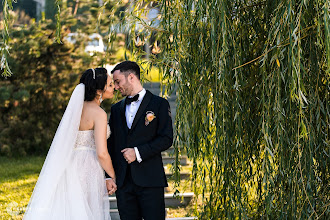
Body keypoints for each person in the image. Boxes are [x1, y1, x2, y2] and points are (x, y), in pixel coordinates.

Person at [23, 68, 117, 220]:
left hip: (70, 164)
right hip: (88, 166)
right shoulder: (99, 113)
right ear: (99, 90)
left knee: (71, 209)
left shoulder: (76, 110)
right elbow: (102, 153)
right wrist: (112, 175)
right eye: (111, 85)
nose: (114, 88)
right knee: (87, 211)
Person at [105, 61, 173, 220]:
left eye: (118, 81)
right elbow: (110, 145)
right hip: (123, 183)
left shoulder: (159, 104)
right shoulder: (115, 109)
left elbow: (166, 139)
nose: (115, 87)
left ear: (131, 77)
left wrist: (137, 152)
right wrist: (108, 176)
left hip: (150, 180)